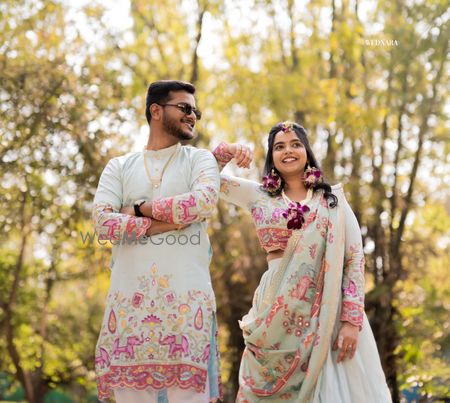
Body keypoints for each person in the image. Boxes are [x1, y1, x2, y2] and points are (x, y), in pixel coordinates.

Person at [212, 121, 392, 402]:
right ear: (271, 156)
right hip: (275, 309)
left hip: (326, 311)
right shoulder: (258, 196)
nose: (288, 151)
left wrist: (350, 321)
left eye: (296, 144)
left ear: (307, 151)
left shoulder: (332, 202)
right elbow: (206, 179)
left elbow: (354, 259)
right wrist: (229, 150)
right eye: (279, 146)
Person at [92, 80, 222, 403]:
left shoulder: (200, 160)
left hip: (186, 310)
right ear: (156, 110)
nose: (192, 116)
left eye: (196, 111)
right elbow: (103, 223)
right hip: (129, 313)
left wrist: (137, 209)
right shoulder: (119, 167)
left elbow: (202, 203)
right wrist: (170, 223)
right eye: (185, 108)